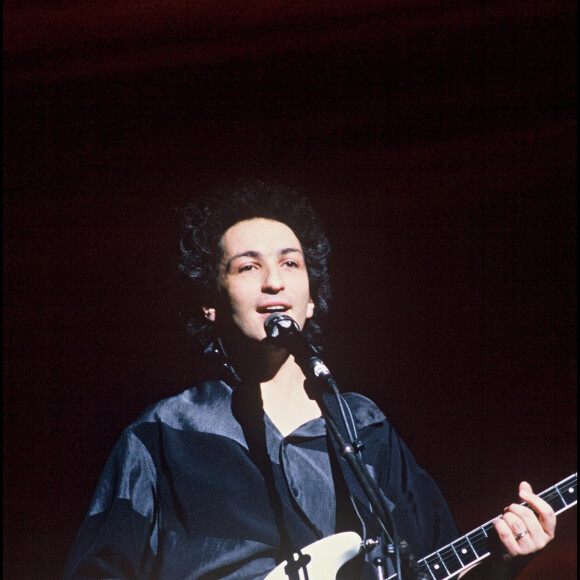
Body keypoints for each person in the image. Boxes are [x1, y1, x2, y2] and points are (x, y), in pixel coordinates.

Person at [63, 181, 556, 579]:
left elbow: (431, 562)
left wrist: (503, 562)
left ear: (310, 299)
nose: (273, 281)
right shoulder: (163, 434)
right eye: (247, 266)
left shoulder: (364, 427)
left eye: (290, 263)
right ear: (210, 303)